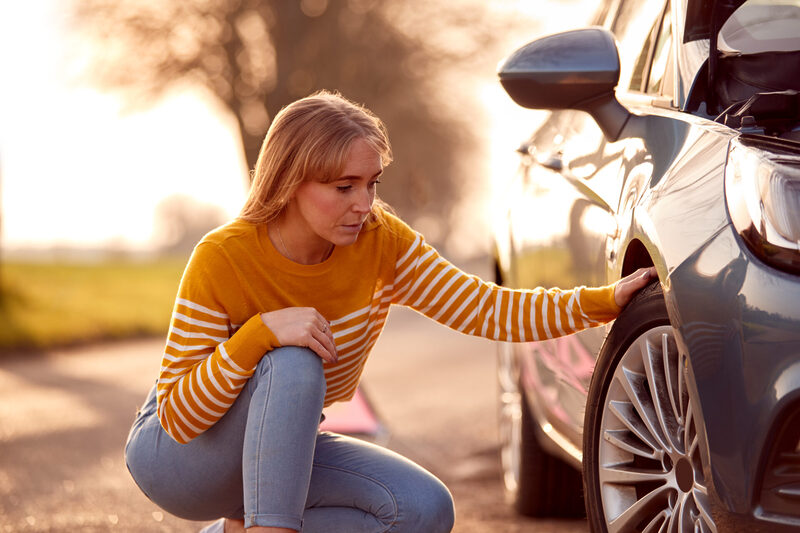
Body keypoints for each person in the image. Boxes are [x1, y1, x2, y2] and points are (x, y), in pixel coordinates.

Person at [124, 90, 656, 533]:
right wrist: (259, 335)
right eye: (344, 187)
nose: (364, 203)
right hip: (179, 459)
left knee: (422, 511)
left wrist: (604, 301)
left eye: (371, 183)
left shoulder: (381, 244)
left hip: (276, 459)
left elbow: (486, 309)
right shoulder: (224, 257)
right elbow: (179, 416)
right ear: (289, 181)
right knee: (293, 359)